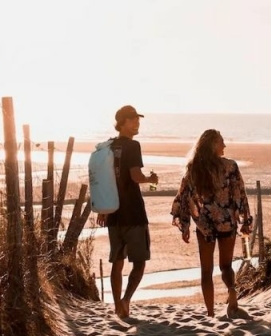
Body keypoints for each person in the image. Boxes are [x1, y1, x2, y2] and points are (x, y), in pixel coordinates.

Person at [171, 129, 253, 318]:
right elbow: (240, 194)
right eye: (221, 142)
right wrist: (245, 220)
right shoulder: (230, 166)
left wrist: (185, 224)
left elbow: (184, 196)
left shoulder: (193, 169)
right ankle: (231, 290)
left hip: (204, 224)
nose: (224, 145)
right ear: (212, 145)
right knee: (226, 266)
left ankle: (210, 313)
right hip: (226, 222)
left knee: (206, 270)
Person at [97, 105, 158, 319]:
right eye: (132, 119)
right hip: (133, 212)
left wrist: (102, 209)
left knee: (117, 261)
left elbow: (103, 179)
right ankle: (125, 300)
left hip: (113, 211)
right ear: (122, 122)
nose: (137, 122)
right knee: (139, 262)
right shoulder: (133, 146)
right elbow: (135, 176)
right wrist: (151, 179)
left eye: (137, 119)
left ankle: (117, 306)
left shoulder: (108, 147)